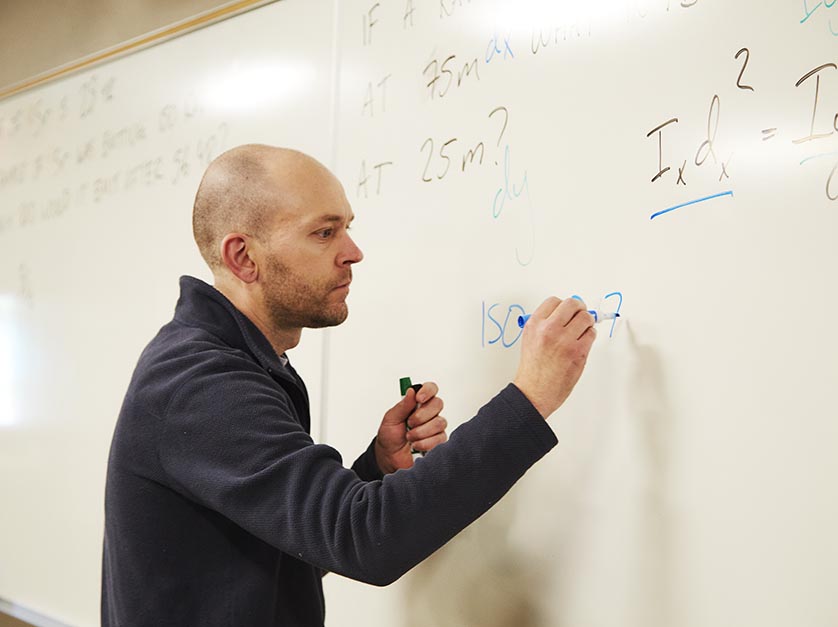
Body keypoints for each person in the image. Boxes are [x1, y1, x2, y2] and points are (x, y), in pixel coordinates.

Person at [101, 144, 597, 626]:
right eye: (324, 232)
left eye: (347, 228)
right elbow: (367, 541)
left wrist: (377, 468)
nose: (354, 252)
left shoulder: (240, 363)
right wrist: (531, 398)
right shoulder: (202, 383)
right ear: (243, 257)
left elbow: (292, 543)